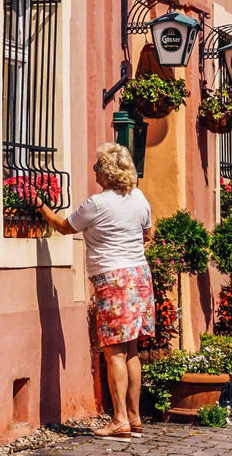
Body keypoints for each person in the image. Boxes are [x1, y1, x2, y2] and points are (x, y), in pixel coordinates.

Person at [37, 143, 155, 439]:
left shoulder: (97, 204)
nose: (95, 173)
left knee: (113, 351)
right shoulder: (139, 198)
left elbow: (65, 227)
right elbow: (147, 235)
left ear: (106, 172)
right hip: (139, 277)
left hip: (113, 280)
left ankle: (118, 420)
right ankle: (134, 417)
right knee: (131, 350)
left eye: (96, 167)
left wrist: (42, 208)